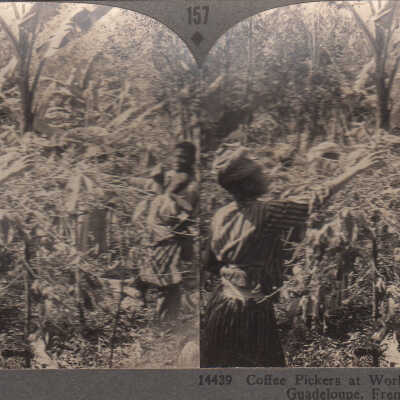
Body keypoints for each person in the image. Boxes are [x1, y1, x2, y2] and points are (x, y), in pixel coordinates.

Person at [202, 144, 379, 367]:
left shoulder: (221, 215)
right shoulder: (265, 213)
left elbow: (209, 263)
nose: (265, 176)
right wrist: (355, 170)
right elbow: (313, 200)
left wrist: (238, 269)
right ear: (247, 183)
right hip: (250, 311)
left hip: (221, 305)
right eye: (260, 173)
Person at [141, 142, 198, 322]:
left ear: (191, 160)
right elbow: (159, 199)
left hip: (171, 238)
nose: (178, 160)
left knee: (169, 282)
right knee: (162, 281)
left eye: (183, 157)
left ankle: (167, 322)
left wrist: (170, 235)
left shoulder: (191, 185)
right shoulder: (170, 176)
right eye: (177, 156)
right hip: (159, 236)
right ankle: (164, 319)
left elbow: (185, 215)